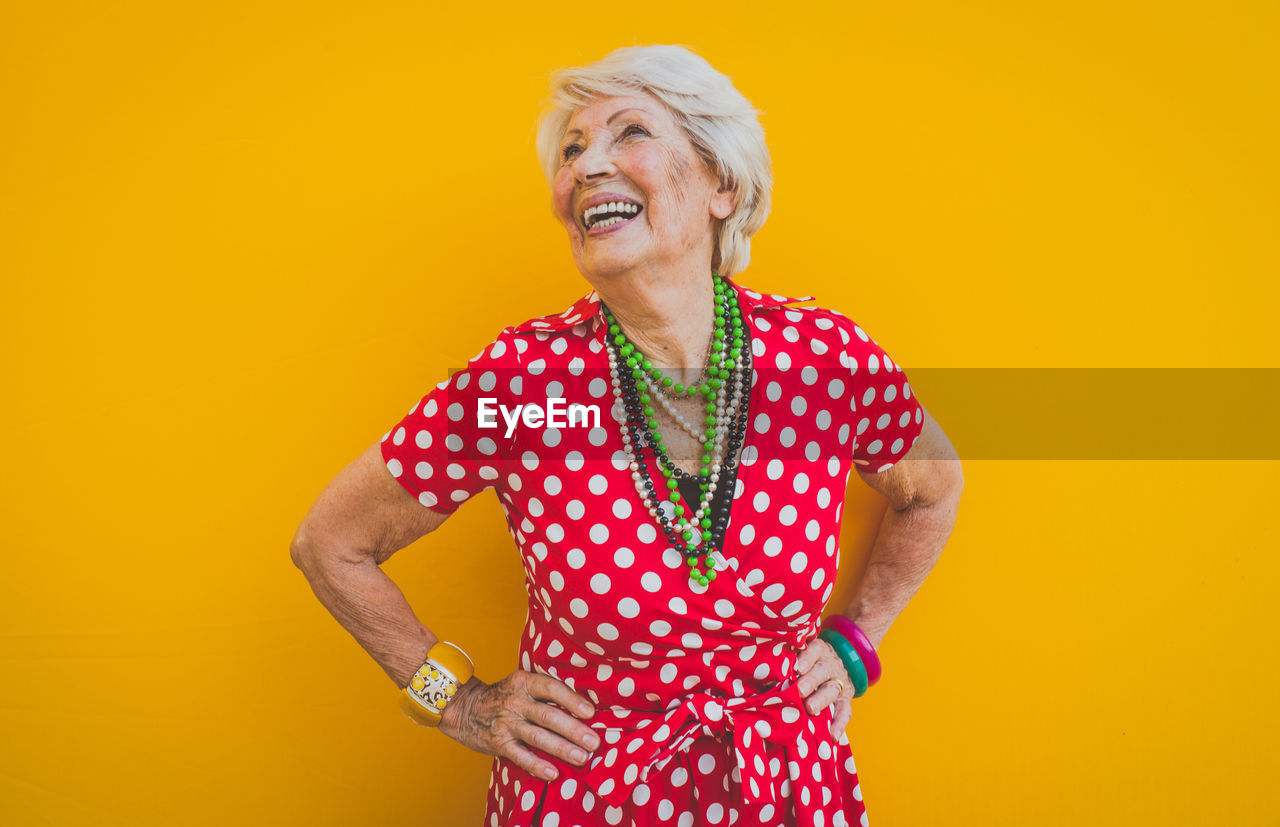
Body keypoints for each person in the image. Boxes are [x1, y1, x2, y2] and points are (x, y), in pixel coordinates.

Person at [291, 44, 964, 827]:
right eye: (572, 150)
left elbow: (933, 487)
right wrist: (458, 704)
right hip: (589, 800)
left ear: (722, 183)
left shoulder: (824, 361)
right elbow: (330, 542)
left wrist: (857, 645)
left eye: (628, 133)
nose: (586, 167)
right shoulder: (526, 385)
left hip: (783, 790)